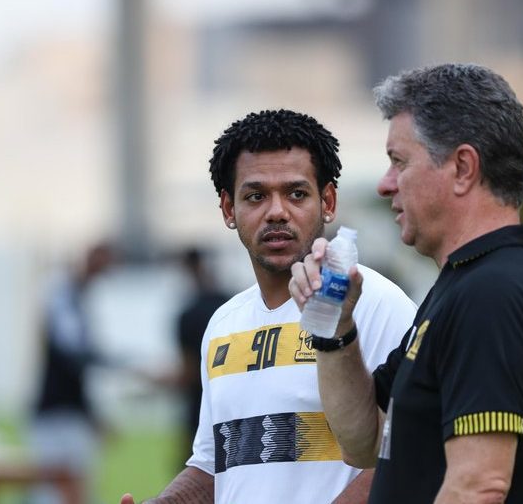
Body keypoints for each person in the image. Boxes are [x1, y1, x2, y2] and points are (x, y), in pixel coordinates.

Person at [289, 64, 523, 503]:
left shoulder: (492, 291)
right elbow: (363, 442)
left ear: (462, 167)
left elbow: (478, 485)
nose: (385, 184)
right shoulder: (463, 284)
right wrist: (334, 327)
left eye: (399, 161)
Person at [120, 109, 417, 504]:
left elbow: (403, 454)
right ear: (229, 209)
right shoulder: (223, 324)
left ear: (328, 201)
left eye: (296, 194)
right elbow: (213, 467)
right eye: (256, 196)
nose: (277, 211)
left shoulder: (375, 303)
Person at [30, 242, 116, 504]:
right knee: (56, 490)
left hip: (64, 410)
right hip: (58, 411)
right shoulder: (65, 295)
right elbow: (73, 356)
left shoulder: (74, 296)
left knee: (67, 488)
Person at [174, 247, 230, 464]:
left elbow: (188, 373)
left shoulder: (188, 315)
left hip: (200, 412)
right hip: (233, 411)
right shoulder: (231, 306)